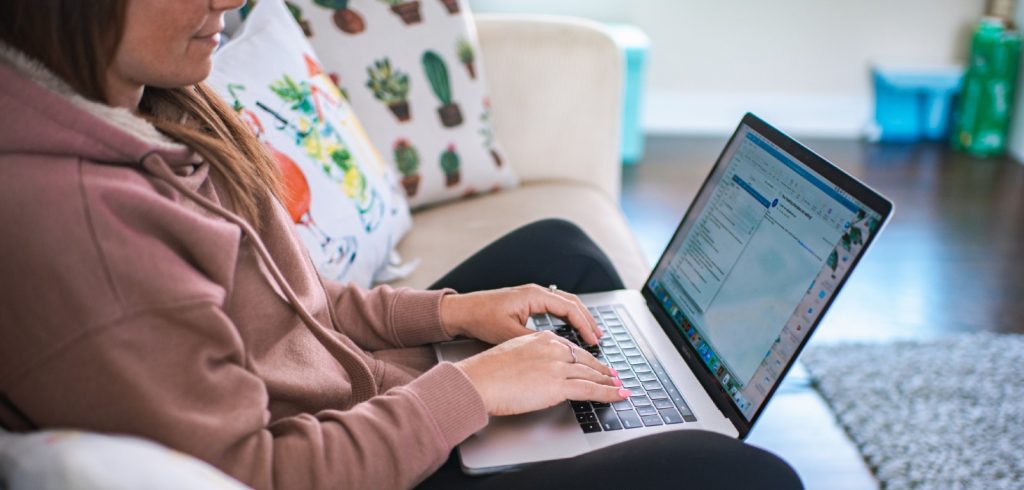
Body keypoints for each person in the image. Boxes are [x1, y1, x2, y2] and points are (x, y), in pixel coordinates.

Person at [0, 1, 801, 489]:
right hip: (351, 467)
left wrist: (455, 313)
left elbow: (301, 307)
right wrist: (472, 393)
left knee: (566, 255)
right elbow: (254, 478)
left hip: (365, 406)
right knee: (745, 478)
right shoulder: (79, 225)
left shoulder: (159, 100)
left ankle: (650, 414)